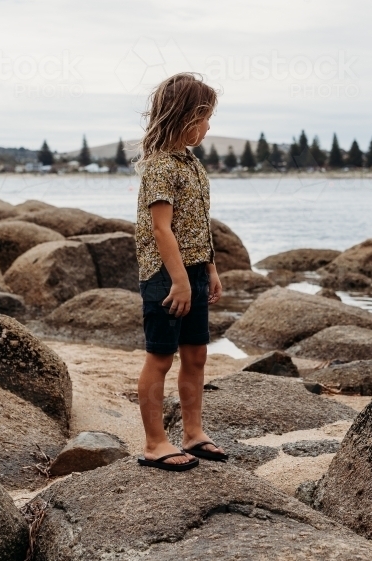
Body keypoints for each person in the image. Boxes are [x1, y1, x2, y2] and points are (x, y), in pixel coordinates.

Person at [134, 73, 226, 471]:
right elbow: (161, 228)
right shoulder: (159, 167)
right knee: (160, 357)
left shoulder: (191, 164)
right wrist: (180, 280)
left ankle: (193, 432)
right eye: (205, 118)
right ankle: (155, 442)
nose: (208, 127)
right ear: (186, 117)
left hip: (195, 271)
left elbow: (197, 222)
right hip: (167, 276)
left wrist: (210, 267)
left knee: (196, 354)